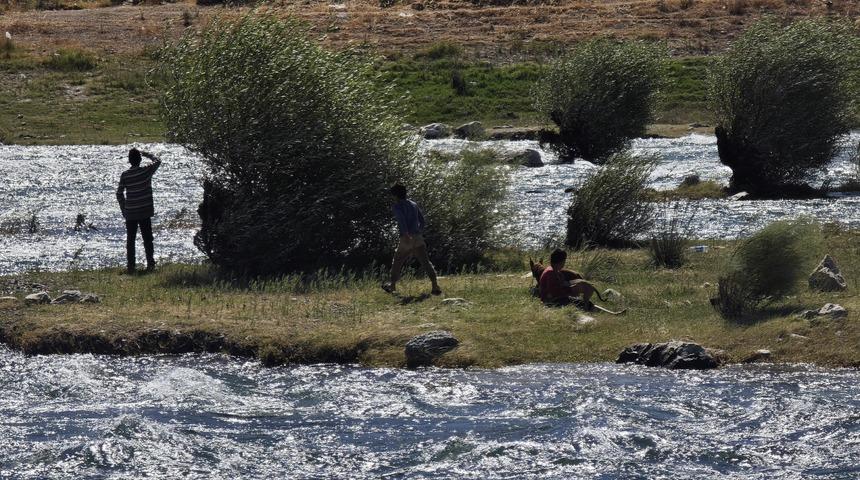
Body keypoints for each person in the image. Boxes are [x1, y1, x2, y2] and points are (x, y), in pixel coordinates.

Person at [382, 184, 442, 296]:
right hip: (418, 237)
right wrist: (418, 231)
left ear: (395, 195)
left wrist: (405, 234)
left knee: (397, 262)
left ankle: (392, 286)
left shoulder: (397, 206)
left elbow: (401, 220)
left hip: (406, 238)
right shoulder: (413, 204)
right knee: (425, 262)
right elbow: (422, 221)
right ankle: (435, 286)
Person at [116, 148, 161, 274]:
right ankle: (150, 264)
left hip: (130, 212)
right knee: (147, 239)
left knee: (131, 240)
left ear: (129, 161)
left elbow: (119, 194)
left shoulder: (125, 175)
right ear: (140, 159)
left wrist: (124, 209)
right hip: (144, 211)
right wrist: (147, 154)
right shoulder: (146, 171)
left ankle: (131, 267)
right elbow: (158, 161)